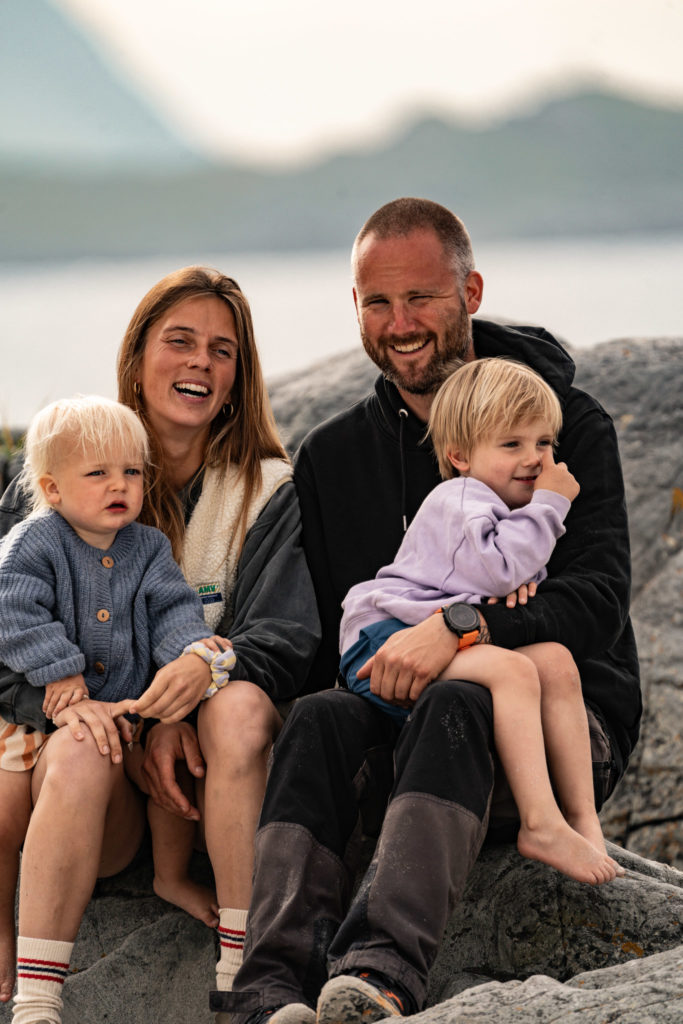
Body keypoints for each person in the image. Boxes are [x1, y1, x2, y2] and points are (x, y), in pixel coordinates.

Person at [218, 199, 641, 1024]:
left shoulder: (559, 429)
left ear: (470, 291)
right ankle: (268, 988)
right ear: (354, 308)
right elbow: (319, 635)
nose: (399, 323)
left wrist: (461, 627)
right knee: (317, 719)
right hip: (400, 735)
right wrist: (208, 686)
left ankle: (378, 977)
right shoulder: (337, 456)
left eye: (421, 298)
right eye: (377, 302)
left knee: (458, 695)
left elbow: (594, 602)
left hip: (553, 729)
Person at [0, 267, 319, 1023]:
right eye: (179, 341)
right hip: (77, 763)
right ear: (137, 358)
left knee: (228, 704)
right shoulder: (56, 477)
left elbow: (285, 633)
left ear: (239, 378)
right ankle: (33, 993)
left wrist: (194, 676)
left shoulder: (269, 492)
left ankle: (248, 967)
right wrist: (57, 699)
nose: (200, 363)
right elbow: (6, 620)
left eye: (222, 350)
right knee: (54, 759)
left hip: (194, 775)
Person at [341, 356, 621, 885]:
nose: (535, 459)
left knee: (556, 663)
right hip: (384, 637)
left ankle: (582, 819)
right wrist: (552, 504)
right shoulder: (460, 497)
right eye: (511, 445)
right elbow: (495, 572)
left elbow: (501, 577)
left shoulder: (499, 505)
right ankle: (539, 822)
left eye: (544, 443)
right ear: (460, 455)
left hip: (436, 634)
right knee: (514, 673)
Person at [0, 394, 241, 973]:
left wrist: (190, 651)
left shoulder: (148, 546)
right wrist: (60, 667)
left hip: (126, 716)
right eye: (99, 474)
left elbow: (173, 610)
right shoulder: (36, 542)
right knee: (3, 815)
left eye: (132, 472)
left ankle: (170, 875)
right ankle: (4, 929)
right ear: (53, 489)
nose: (121, 486)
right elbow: (10, 608)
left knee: (171, 769)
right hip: (41, 717)